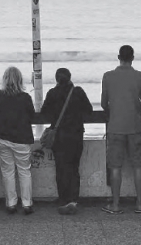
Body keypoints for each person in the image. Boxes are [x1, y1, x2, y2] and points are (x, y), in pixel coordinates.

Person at [101, 45, 141, 214]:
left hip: (115, 127)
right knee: (138, 166)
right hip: (135, 126)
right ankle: (140, 204)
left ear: (118, 57)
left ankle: (115, 205)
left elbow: (103, 103)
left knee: (115, 166)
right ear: (133, 58)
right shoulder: (140, 76)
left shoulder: (108, 76)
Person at [41, 68, 93, 215]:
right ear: (70, 77)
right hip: (76, 135)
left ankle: (63, 199)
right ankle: (73, 200)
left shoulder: (52, 93)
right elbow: (88, 111)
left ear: (56, 79)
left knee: (61, 168)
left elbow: (45, 113)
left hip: (59, 137)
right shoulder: (78, 92)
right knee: (74, 168)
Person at [0, 66, 35, 215]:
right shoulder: (25, 97)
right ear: (20, 79)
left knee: (7, 171)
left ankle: (11, 203)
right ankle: (27, 203)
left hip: (2, 137)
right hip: (21, 138)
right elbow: (31, 114)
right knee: (24, 171)